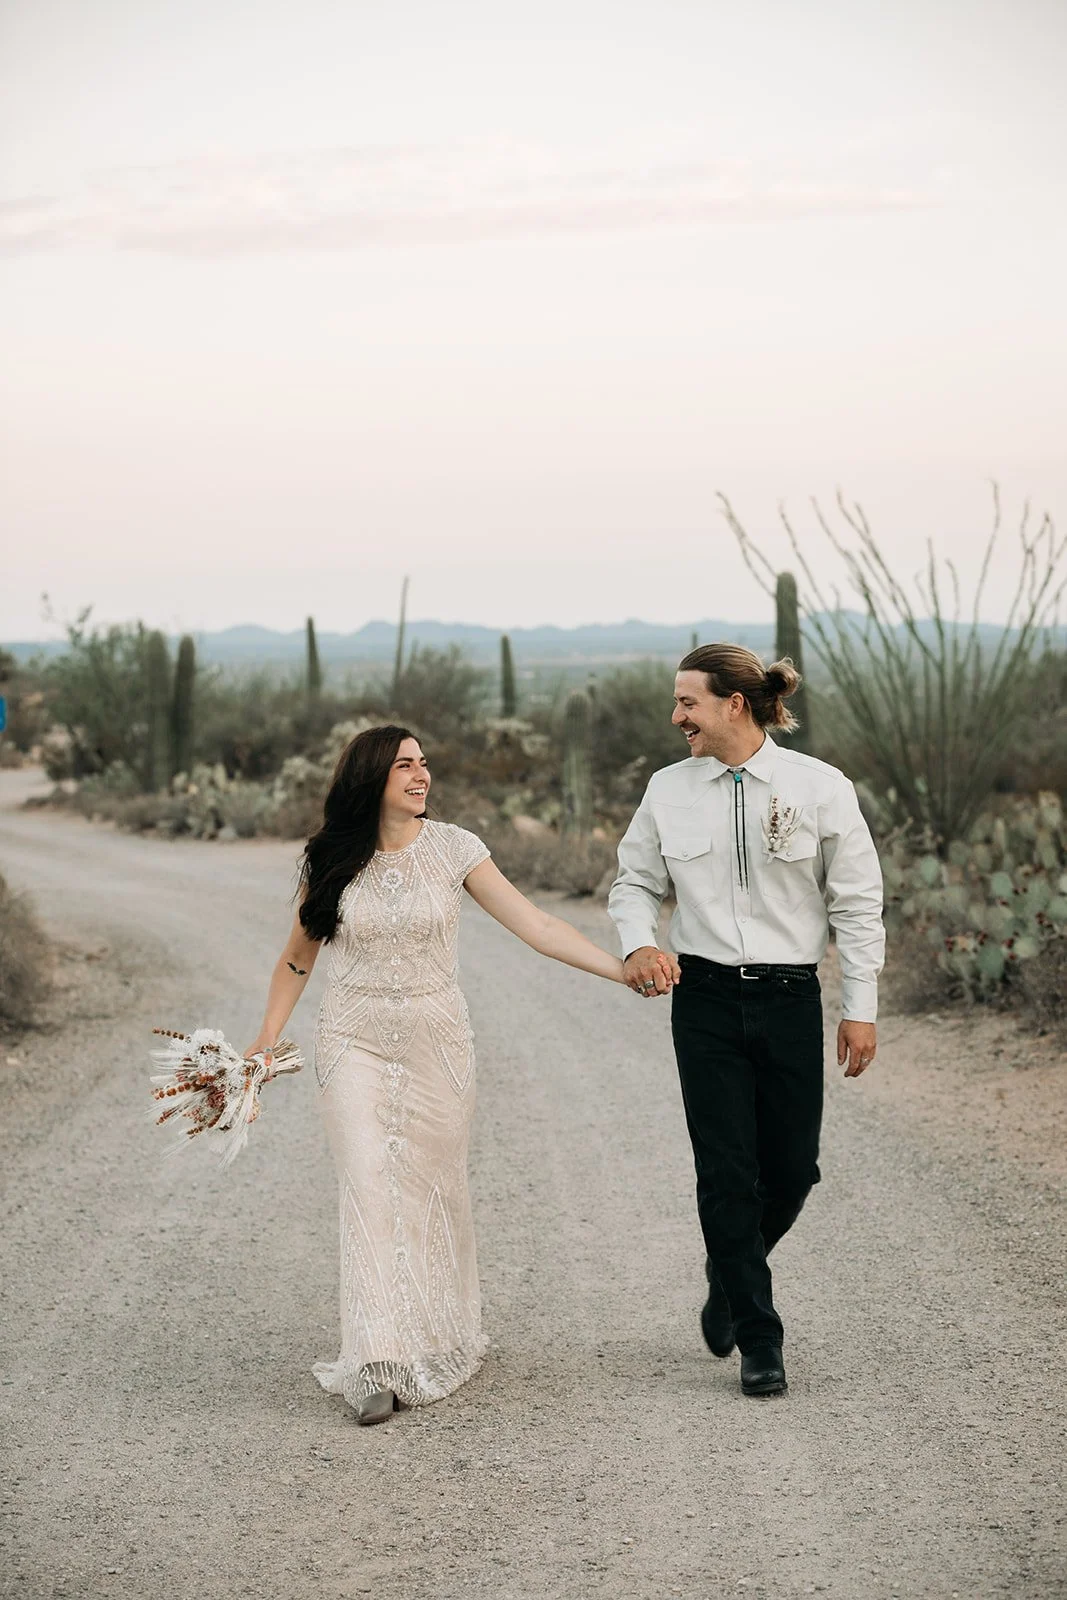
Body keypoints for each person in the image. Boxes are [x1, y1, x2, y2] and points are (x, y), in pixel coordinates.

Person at [245, 724, 625, 1424]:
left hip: (437, 1044)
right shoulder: (330, 858)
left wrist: (620, 969)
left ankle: (437, 1330)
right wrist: (265, 1039)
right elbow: (298, 958)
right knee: (367, 1184)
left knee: (428, 1191)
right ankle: (376, 1362)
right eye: (404, 766)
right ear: (370, 779)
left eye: (425, 763)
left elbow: (537, 926)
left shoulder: (455, 849)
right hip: (351, 1040)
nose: (421, 776)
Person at [608, 644, 885, 1398]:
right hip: (702, 1000)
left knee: (793, 1169)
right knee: (725, 1170)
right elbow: (633, 883)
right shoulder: (668, 790)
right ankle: (760, 1339)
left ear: (734, 703)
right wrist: (638, 940)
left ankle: (731, 1270)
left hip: (791, 997)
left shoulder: (819, 787)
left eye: (687, 702)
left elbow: (856, 906)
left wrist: (858, 1009)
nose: (675, 717)